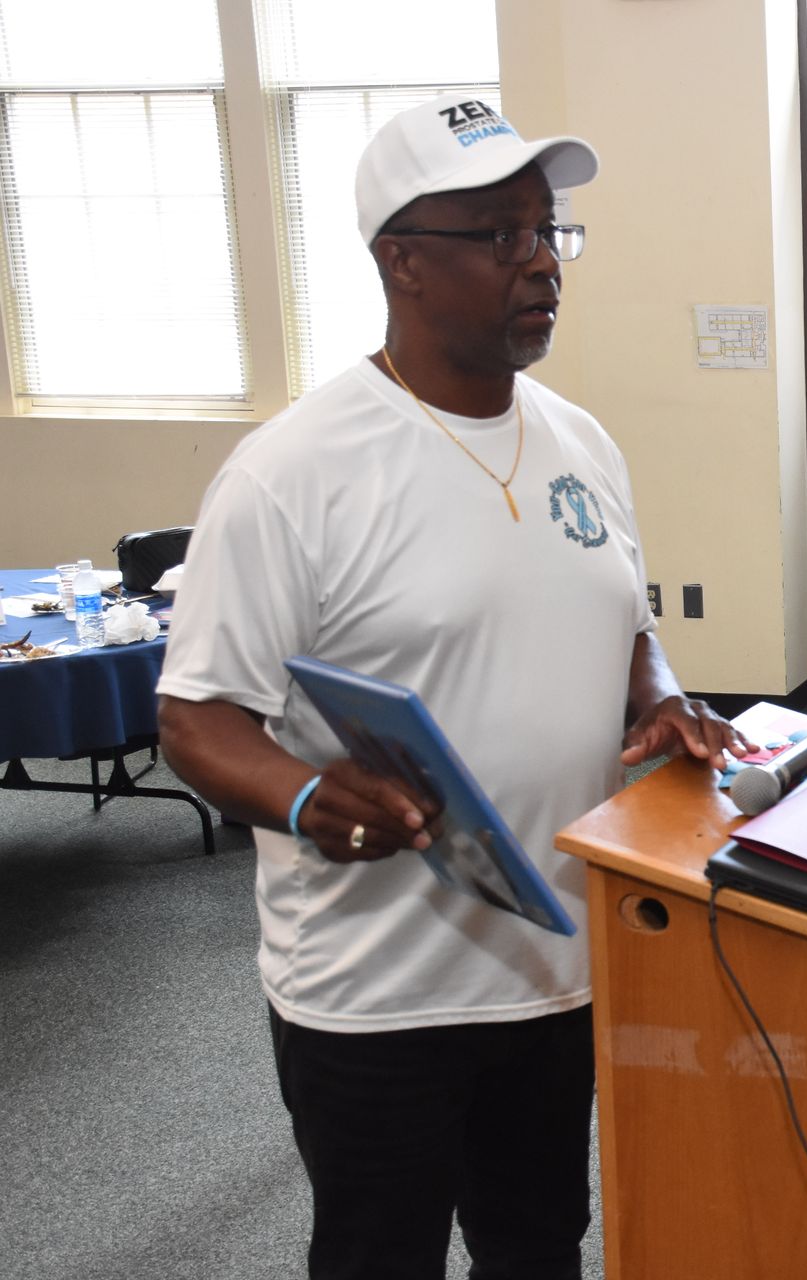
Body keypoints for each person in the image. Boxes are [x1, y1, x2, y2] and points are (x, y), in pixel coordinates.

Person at [156, 94, 745, 1280]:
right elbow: (195, 716)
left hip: (559, 965)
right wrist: (312, 796)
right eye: (500, 235)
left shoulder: (585, 443)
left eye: (548, 232)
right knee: (383, 1255)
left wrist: (661, 698)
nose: (540, 263)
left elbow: (629, 629)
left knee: (537, 1245)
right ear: (401, 261)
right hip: (378, 995)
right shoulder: (292, 473)